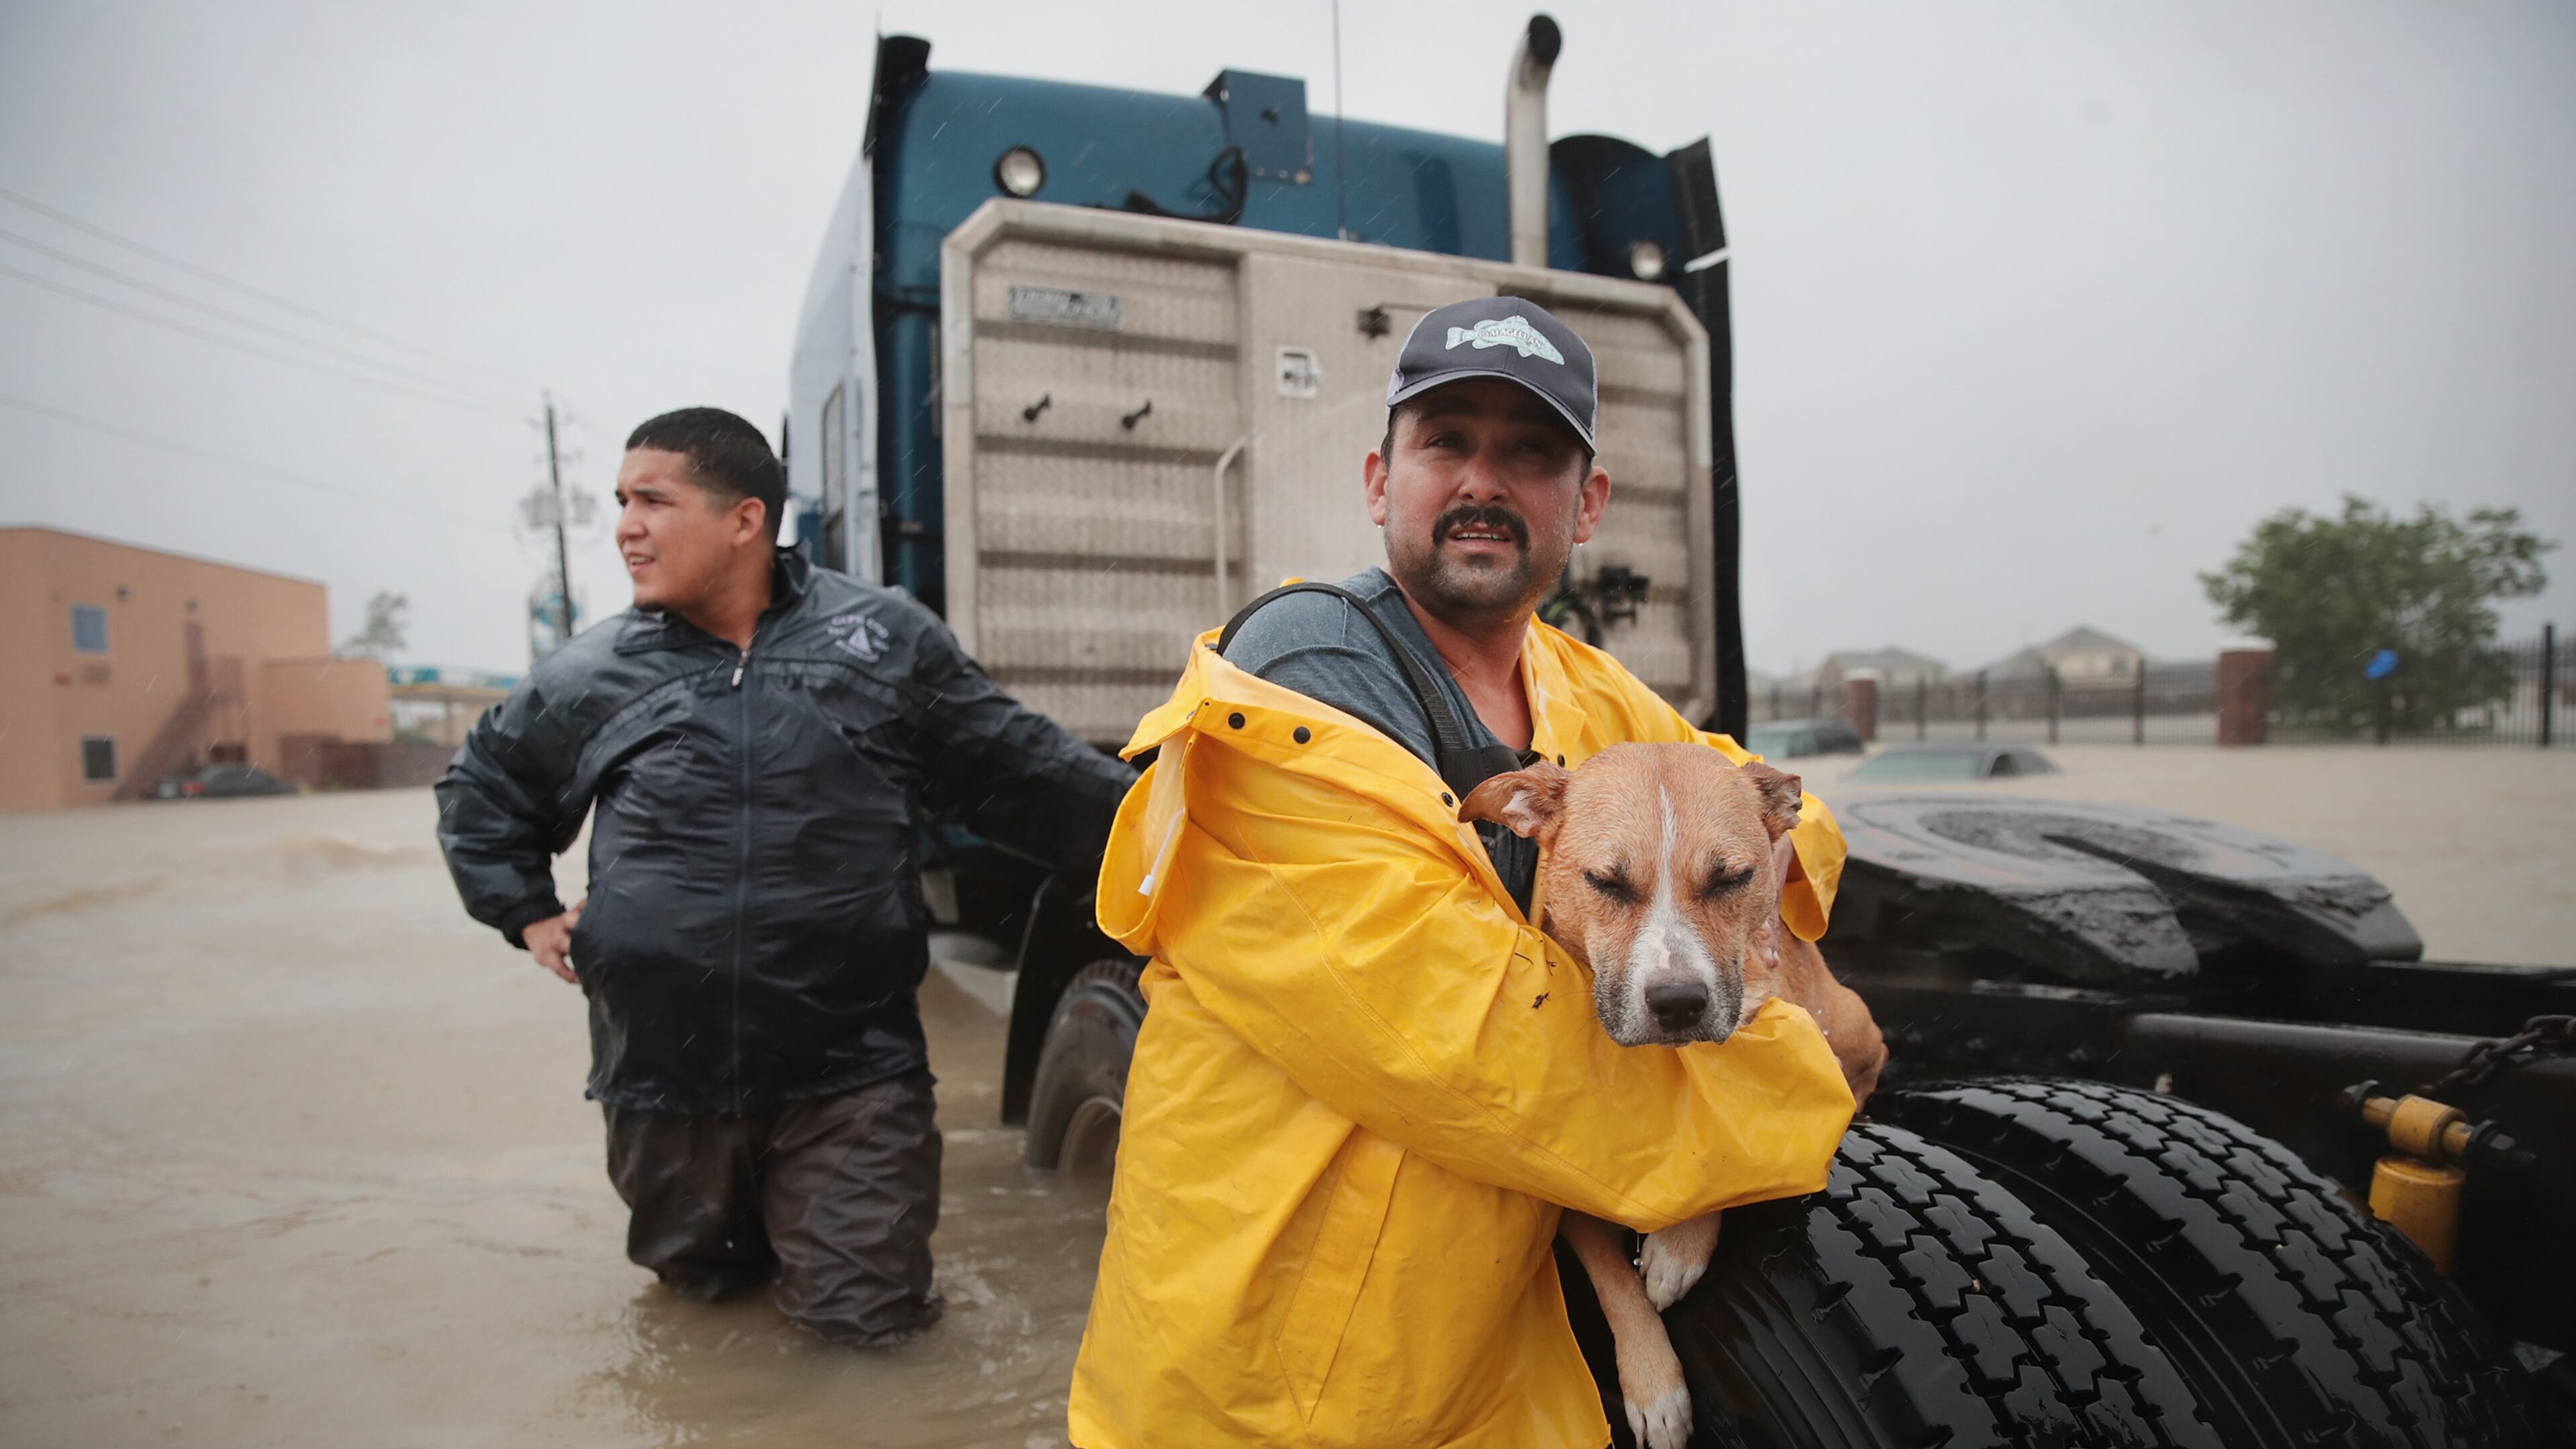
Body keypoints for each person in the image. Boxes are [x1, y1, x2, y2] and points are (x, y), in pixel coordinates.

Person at [1067, 299, 1858, 1447]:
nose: (1484, 481)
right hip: (1282, 1377)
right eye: (1449, 443)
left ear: (1584, 506)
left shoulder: (1582, 687)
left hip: (1483, 1359)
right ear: (1384, 480)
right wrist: (1808, 1065)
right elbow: (1477, 1050)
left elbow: (1778, 810)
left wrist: (1768, 888)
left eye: (1530, 453)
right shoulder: (1299, 678)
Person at [435, 407, 1132, 1346]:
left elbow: (1024, 772)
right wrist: (525, 912)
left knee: (865, 1336)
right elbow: (485, 789)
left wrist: (1196, 835)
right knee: (705, 1325)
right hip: (662, 1085)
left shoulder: (879, 641)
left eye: (652, 500)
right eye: (619, 502)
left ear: (744, 519)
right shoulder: (592, 672)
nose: (624, 527)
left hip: (851, 1079)